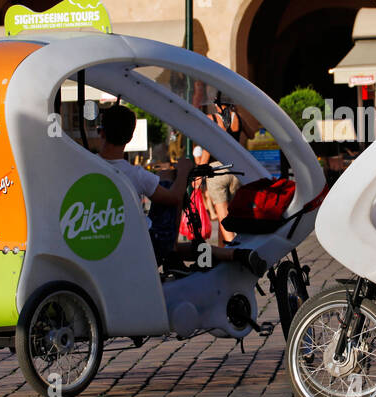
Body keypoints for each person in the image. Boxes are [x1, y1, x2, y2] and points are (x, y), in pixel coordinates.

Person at [98, 105, 264, 274]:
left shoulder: (89, 167)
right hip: (146, 247)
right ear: (130, 137)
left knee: (185, 242)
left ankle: (233, 254)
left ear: (102, 132)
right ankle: (234, 253)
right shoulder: (136, 175)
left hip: (115, 244)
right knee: (179, 234)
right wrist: (183, 172)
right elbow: (175, 198)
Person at [194, 145, 241, 245]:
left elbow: (208, 147)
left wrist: (199, 173)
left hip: (217, 170)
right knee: (230, 215)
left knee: (224, 217)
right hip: (235, 168)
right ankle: (223, 249)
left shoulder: (216, 128)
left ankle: (232, 250)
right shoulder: (237, 128)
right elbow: (250, 135)